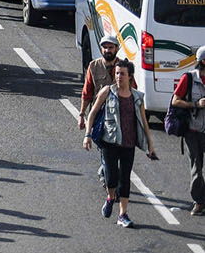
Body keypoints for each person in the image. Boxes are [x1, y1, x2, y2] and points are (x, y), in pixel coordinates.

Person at [83, 58, 156, 227]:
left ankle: (123, 214)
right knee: (111, 177)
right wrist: (87, 135)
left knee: (125, 178)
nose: (118, 77)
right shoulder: (107, 92)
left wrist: (150, 146)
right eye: (116, 73)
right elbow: (92, 113)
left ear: (130, 76)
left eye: (122, 74)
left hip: (128, 144)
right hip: (109, 142)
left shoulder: (137, 97)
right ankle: (110, 197)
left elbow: (144, 122)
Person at [170, 44, 205, 215]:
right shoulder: (189, 79)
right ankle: (199, 201)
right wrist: (195, 104)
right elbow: (175, 101)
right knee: (196, 167)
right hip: (193, 131)